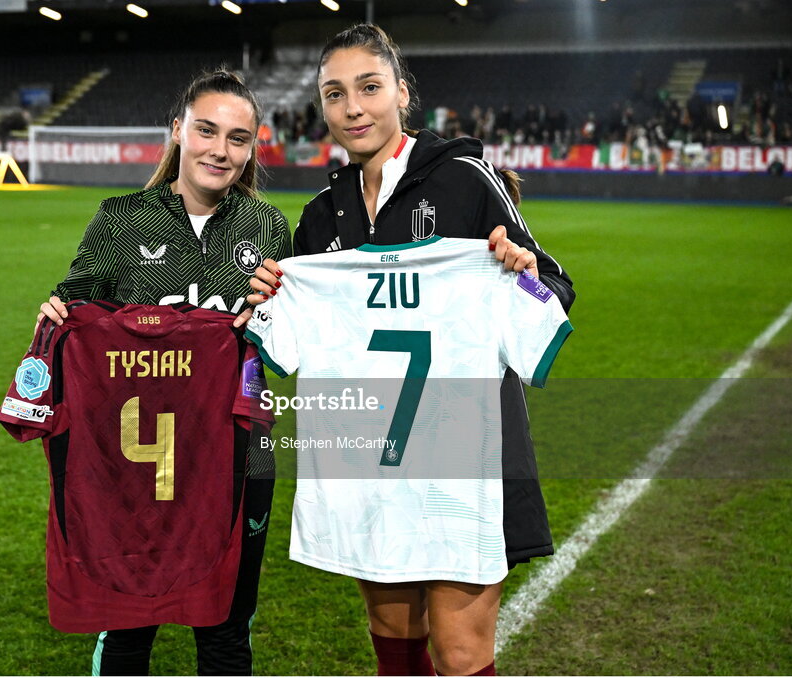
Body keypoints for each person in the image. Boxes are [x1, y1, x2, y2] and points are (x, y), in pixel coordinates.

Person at [243, 24, 575, 676]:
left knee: (461, 653)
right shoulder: (320, 217)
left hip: (469, 459)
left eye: (369, 87)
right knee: (391, 640)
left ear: (401, 90)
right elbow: (287, 337)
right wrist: (269, 293)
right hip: (372, 463)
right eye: (334, 94)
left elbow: (553, 289)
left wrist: (524, 269)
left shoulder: (464, 179)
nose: (353, 108)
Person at [36, 69, 292, 676]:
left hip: (240, 454)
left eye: (238, 137)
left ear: (253, 147)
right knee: (128, 632)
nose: (219, 150)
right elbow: (75, 309)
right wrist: (55, 316)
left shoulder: (270, 228)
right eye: (206, 130)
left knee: (227, 631)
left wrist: (276, 313)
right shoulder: (120, 219)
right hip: (136, 465)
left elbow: (290, 350)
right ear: (178, 131)